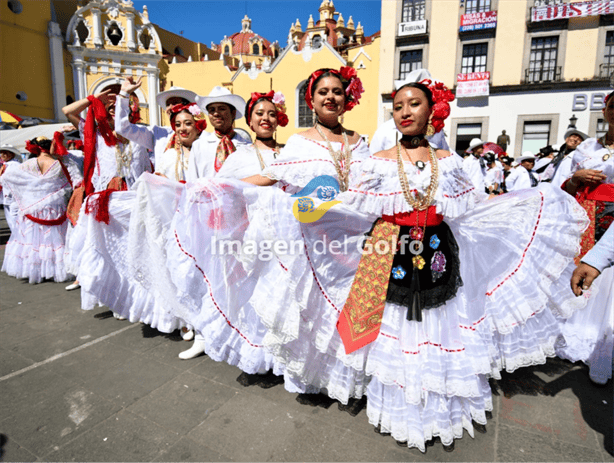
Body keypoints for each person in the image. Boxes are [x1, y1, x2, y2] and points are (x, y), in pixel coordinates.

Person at [167, 66, 370, 383]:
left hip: (353, 241)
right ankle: (318, 375)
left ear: (347, 98)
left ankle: (345, 374)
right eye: (322, 92)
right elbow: (270, 177)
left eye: (337, 91)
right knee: (311, 309)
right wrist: (217, 190)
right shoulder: (300, 144)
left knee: (346, 307)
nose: (331, 97)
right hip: (313, 242)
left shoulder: (360, 142)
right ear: (311, 101)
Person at [176, 90, 289, 366]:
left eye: (272, 113)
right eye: (259, 114)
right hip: (231, 225)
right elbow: (212, 186)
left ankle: (273, 349)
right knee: (220, 281)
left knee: (270, 290)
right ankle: (209, 335)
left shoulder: (272, 148)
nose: (266, 118)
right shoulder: (219, 149)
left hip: (274, 230)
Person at [556, 91, 614, 385]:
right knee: (575, 274)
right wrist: (577, 179)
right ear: (605, 111)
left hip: (612, 223)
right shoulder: (586, 148)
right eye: (613, 106)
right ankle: (567, 340)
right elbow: (558, 188)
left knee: (608, 288)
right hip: (584, 217)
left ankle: (600, 351)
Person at [1, 134, 82, 283]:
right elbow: (77, 180)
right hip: (55, 207)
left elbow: (6, 178)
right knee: (54, 239)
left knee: (33, 239)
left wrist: (28, 191)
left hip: (32, 207)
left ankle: (35, 269)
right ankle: (54, 268)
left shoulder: (28, 163)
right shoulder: (59, 163)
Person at [116, 78, 197, 174]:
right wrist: (124, 94)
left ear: (187, 107)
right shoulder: (158, 134)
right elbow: (123, 128)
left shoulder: (202, 137)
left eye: (175, 103)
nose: (170, 108)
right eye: (167, 104)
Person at [186, 86, 250, 180]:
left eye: (221, 109)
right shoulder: (199, 146)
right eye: (212, 110)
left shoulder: (247, 146)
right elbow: (192, 182)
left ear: (233, 113)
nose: (216, 113)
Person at [0, 144, 23, 233]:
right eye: (2, 153)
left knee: (14, 220)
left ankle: (17, 238)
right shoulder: (7, 165)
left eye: (5, 153)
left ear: (12, 154)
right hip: (7, 196)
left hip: (13, 196)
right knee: (10, 219)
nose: (3, 155)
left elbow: (8, 179)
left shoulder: (14, 165)